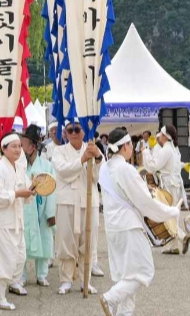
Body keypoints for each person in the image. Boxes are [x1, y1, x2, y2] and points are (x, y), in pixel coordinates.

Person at [98, 127, 181, 316]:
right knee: (144, 271)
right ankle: (110, 298)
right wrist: (171, 211)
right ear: (125, 146)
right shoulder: (125, 169)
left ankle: (124, 313)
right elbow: (145, 202)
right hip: (128, 226)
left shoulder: (105, 167)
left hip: (113, 227)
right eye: (131, 145)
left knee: (127, 276)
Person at [52, 120, 104, 295]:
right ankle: (66, 279)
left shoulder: (92, 148)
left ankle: (85, 280)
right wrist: (82, 160)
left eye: (77, 129)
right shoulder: (58, 151)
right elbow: (63, 171)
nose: (74, 132)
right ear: (65, 133)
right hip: (67, 201)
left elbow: (97, 177)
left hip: (89, 201)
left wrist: (97, 158)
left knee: (88, 242)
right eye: (70, 130)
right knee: (66, 240)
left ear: (83, 131)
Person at [0, 132, 33, 310]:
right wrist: (18, 194)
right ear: (4, 149)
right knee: (4, 260)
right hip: (0, 222)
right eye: (14, 146)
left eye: (20, 146)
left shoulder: (19, 169)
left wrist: (30, 192)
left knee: (19, 258)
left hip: (15, 220)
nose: (18, 149)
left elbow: (25, 190)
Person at [141, 126, 190, 255]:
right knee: (173, 214)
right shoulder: (174, 149)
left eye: (160, 135)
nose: (158, 137)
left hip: (168, 184)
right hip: (175, 184)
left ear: (164, 136)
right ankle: (173, 246)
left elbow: (153, 165)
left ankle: (181, 236)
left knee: (166, 214)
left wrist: (146, 152)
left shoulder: (167, 149)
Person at [20, 124, 56, 287]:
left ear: (32, 147)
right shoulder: (20, 166)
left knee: (44, 239)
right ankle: (21, 275)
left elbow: (52, 191)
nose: (21, 147)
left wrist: (50, 213)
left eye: (23, 144)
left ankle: (42, 274)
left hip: (41, 209)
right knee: (22, 241)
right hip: (25, 209)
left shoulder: (47, 166)